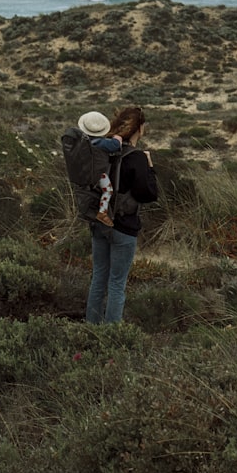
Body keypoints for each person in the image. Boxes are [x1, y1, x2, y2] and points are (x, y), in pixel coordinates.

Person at [85, 106, 158, 324]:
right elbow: (148, 194)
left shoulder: (103, 150)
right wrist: (150, 168)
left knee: (99, 277)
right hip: (124, 226)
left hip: (99, 222)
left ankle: (91, 328)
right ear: (140, 129)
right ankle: (112, 335)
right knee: (117, 283)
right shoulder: (137, 158)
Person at [77, 110, 123, 227]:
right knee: (108, 190)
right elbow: (115, 146)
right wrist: (117, 138)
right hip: (98, 173)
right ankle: (102, 212)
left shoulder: (83, 142)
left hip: (85, 172)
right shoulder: (101, 143)